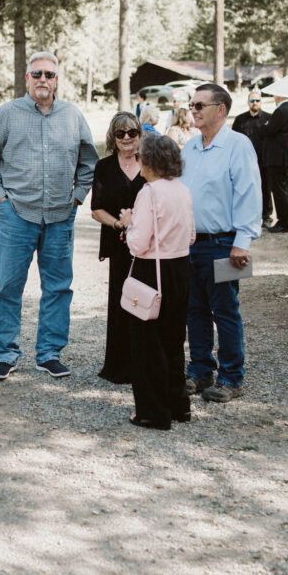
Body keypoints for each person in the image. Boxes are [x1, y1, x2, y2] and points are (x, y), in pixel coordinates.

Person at [0, 50, 99, 380]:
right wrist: (1, 199)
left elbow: (89, 163)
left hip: (60, 216)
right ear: (27, 78)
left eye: (49, 75)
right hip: (17, 214)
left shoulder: (72, 116)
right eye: (37, 74)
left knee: (58, 287)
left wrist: (77, 197)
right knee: (9, 286)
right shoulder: (7, 114)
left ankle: (49, 353)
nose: (43, 80)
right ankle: (5, 353)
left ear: (57, 80)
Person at [180, 83, 261, 403]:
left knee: (225, 312)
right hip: (189, 245)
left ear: (221, 109)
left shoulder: (238, 145)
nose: (194, 110)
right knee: (194, 311)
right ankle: (200, 372)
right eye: (192, 105)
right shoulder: (189, 147)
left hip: (225, 244)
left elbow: (250, 195)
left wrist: (243, 242)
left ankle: (231, 378)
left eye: (200, 105)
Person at [118, 134, 195, 429]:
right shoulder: (183, 190)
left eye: (140, 156)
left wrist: (129, 222)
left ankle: (152, 412)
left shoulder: (148, 193)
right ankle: (178, 405)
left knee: (147, 345)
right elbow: (191, 235)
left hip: (152, 272)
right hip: (179, 268)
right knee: (174, 341)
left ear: (149, 161)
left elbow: (137, 244)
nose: (137, 160)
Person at [90, 112, 145, 383]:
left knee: (147, 301)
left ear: (139, 134)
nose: (126, 138)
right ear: (113, 137)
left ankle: (145, 365)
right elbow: (96, 209)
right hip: (119, 244)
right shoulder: (104, 167)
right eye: (120, 133)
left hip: (148, 247)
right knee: (120, 301)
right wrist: (120, 226)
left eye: (132, 133)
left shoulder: (150, 163)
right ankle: (119, 365)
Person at [255, 95, 288, 233]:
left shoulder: (282, 110)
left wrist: (264, 126)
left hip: (278, 158)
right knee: (282, 190)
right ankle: (284, 221)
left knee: (280, 191)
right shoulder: (286, 109)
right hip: (280, 157)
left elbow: (268, 130)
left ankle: (284, 222)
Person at [232, 91, 272, 228]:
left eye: (257, 100)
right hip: (245, 160)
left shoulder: (269, 118)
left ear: (261, 102)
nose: (255, 103)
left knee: (265, 187)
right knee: (245, 188)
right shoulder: (240, 120)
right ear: (248, 102)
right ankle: (247, 216)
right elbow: (234, 140)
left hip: (264, 159)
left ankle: (266, 216)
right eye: (252, 100)